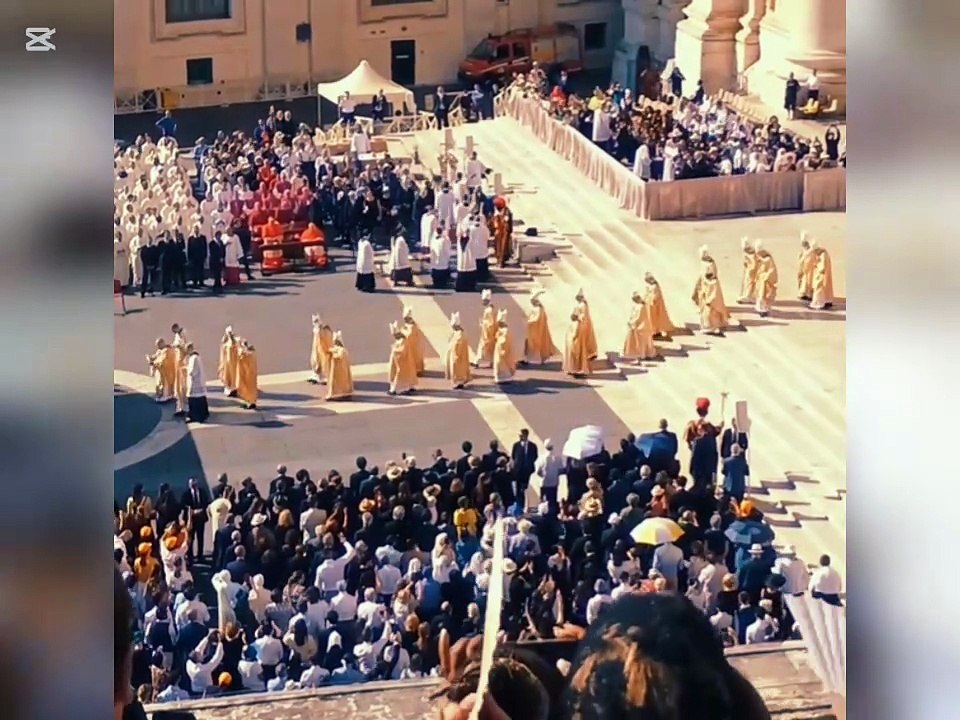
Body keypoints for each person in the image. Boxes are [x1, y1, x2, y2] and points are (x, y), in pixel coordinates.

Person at [622, 290, 659, 363]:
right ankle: (642, 355)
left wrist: (632, 322)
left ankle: (642, 355)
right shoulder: (638, 306)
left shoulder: (642, 307)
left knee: (641, 343)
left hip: (641, 327)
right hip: (639, 326)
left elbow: (639, 317)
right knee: (641, 342)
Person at [521, 290, 557, 365]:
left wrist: (529, 321)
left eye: (532, 301)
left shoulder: (539, 309)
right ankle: (528, 358)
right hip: (532, 329)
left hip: (536, 329)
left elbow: (537, 319)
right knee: (529, 344)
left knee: (534, 344)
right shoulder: (537, 308)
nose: (531, 303)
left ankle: (534, 359)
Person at [693, 271, 729, 336]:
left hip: (711, 303)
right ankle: (707, 327)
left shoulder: (714, 283)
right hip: (706, 302)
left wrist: (710, 301)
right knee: (706, 315)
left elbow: (715, 294)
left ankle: (711, 328)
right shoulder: (706, 281)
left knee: (712, 316)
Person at [388, 321, 417, 395]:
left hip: (403, 361)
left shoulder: (402, 340)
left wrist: (394, 349)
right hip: (406, 361)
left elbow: (400, 351)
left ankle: (398, 389)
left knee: (400, 374)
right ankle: (409, 386)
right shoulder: (401, 339)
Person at [643, 273, 676, 339]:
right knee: (651, 319)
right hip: (650, 305)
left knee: (654, 319)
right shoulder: (651, 286)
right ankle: (653, 331)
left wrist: (649, 301)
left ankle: (656, 331)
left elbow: (655, 297)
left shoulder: (655, 286)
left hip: (654, 306)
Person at [445, 312, 472, 390]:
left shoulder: (459, 335)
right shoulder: (457, 333)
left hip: (457, 355)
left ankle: (458, 382)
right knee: (458, 369)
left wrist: (455, 355)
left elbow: (457, 346)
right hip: (456, 354)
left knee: (457, 369)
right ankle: (458, 381)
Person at [184, 343, 210, 423]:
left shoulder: (194, 358)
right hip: (198, 382)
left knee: (194, 400)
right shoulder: (195, 357)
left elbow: (193, 371)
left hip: (195, 382)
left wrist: (186, 369)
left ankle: (196, 416)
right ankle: (202, 415)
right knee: (200, 399)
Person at [326, 331, 354, 401]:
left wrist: (334, 355)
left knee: (339, 382)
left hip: (341, 369)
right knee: (335, 381)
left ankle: (340, 393)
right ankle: (334, 393)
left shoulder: (342, 350)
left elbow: (340, 356)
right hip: (336, 368)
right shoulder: (336, 348)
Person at [146, 338, 177, 403]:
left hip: (166, 371)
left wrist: (153, 363)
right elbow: (156, 356)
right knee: (160, 383)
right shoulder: (160, 350)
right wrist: (150, 358)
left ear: (162, 343)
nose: (158, 347)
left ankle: (166, 396)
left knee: (165, 384)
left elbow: (163, 361)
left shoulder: (167, 351)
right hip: (160, 371)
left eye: (158, 345)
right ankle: (162, 394)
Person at [563, 309, 591, 378]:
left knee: (573, 356)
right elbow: (575, 333)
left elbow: (575, 333)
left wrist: (571, 338)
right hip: (574, 342)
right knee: (575, 356)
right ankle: (573, 370)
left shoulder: (575, 323)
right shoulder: (577, 323)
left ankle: (572, 369)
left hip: (573, 341)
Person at [753, 241, 778, 317]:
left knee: (764, 296)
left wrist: (765, 277)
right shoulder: (759, 258)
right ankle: (760, 309)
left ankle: (764, 310)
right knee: (759, 296)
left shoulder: (768, 259)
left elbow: (772, 270)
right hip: (760, 281)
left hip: (766, 281)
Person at [474, 289, 497, 368]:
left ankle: (477, 361)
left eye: (484, 300)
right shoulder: (490, 309)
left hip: (488, 332)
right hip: (487, 332)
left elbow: (491, 323)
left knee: (483, 347)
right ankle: (491, 361)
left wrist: (483, 323)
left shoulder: (489, 310)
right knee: (489, 347)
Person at [493, 309, 517, 384]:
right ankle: (500, 376)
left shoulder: (505, 331)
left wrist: (502, 349)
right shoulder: (501, 329)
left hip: (503, 350)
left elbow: (503, 341)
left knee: (502, 363)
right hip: (499, 349)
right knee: (499, 363)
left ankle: (505, 377)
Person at [402, 306, 427, 376]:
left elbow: (409, 335)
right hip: (412, 344)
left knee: (414, 357)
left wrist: (402, 334)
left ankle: (417, 370)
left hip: (413, 345)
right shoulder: (409, 325)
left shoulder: (413, 327)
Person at [574, 289, 598, 361]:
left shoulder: (583, 305)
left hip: (583, 323)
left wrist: (577, 317)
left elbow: (583, 315)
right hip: (582, 323)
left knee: (582, 338)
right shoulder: (581, 305)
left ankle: (586, 354)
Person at [310, 314, 334, 385]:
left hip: (322, 346)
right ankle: (317, 374)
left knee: (322, 360)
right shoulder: (317, 329)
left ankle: (324, 376)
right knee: (316, 359)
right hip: (317, 346)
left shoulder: (323, 330)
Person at [809, 244, 835, 310]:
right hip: (824, 275)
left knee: (819, 289)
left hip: (821, 275)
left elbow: (822, 268)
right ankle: (827, 300)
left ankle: (818, 303)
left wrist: (816, 265)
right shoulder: (824, 254)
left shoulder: (823, 255)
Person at [236, 339, 259, 410]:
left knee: (247, 388)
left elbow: (241, 358)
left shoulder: (245, 354)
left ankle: (250, 402)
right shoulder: (250, 354)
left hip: (247, 374)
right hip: (251, 373)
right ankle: (250, 402)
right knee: (251, 388)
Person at [218, 327, 240, 398]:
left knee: (232, 375)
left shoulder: (234, 341)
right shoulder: (226, 341)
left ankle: (233, 388)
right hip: (227, 362)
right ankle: (230, 388)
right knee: (228, 376)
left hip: (232, 362)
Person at [492, 198, 513, 268]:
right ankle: (499, 260)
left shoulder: (507, 212)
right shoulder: (498, 212)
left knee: (503, 247)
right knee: (498, 247)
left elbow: (507, 223)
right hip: (499, 233)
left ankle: (501, 262)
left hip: (504, 233)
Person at [797, 232, 816, 301]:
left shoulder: (810, 251)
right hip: (805, 267)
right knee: (804, 280)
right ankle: (804, 293)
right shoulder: (805, 249)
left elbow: (807, 257)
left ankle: (808, 294)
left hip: (809, 268)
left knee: (808, 280)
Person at [738, 238, 758, 304]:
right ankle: (748, 295)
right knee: (748, 282)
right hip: (749, 270)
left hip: (752, 271)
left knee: (750, 282)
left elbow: (754, 264)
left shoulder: (752, 254)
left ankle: (749, 296)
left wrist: (749, 268)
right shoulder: (747, 252)